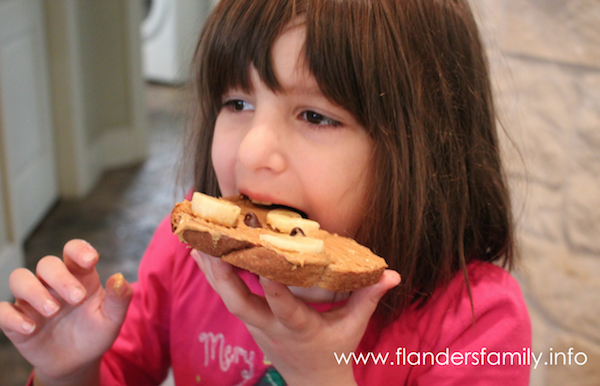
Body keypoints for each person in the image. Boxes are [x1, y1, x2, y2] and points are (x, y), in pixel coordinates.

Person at [0, 0, 531, 385]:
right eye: (236, 103)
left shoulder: (475, 320)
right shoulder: (189, 257)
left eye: (315, 116)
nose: (251, 152)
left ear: (424, 149)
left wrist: (319, 377)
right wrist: (71, 372)